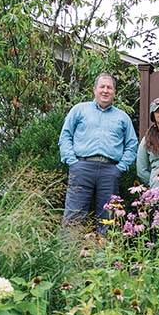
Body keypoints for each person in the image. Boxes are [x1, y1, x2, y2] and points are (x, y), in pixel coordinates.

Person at [58, 73, 138, 234]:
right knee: (74, 216)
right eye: (102, 87)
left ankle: (104, 259)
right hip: (82, 167)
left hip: (110, 171)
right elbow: (65, 136)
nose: (105, 91)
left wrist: (120, 168)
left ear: (114, 92)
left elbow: (132, 144)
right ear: (94, 90)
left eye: (109, 87)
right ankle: (68, 257)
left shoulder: (122, 117)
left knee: (107, 219)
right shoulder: (79, 110)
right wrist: (72, 162)